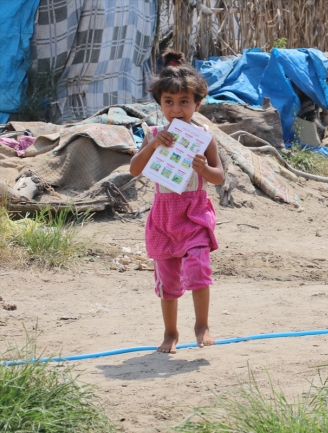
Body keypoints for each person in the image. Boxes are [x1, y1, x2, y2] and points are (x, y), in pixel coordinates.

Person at [130, 50, 225, 353]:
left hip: (194, 212)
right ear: (159, 105)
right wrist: (154, 145)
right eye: (168, 102)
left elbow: (219, 176)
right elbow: (135, 169)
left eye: (184, 102)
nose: (176, 109)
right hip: (164, 216)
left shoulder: (204, 137)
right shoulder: (154, 134)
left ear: (197, 104)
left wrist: (203, 168)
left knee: (198, 268)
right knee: (168, 280)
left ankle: (202, 325)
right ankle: (170, 332)